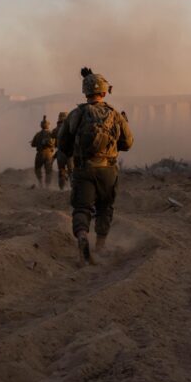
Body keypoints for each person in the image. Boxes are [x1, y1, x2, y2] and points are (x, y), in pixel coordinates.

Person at [57, 67, 133, 266]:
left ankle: (82, 236)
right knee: (105, 207)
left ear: (85, 92)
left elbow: (62, 144)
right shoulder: (115, 114)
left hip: (84, 169)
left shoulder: (76, 114)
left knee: (82, 208)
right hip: (108, 170)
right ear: (104, 92)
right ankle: (100, 246)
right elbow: (128, 143)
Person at [30, 116, 56, 188]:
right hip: (49, 154)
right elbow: (54, 143)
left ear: (41, 125)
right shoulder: (51, 133)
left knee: (37, 169)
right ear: (48, 125)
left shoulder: (37, 134)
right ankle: (47, 185)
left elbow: (33, 144)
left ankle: (40, 183)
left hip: (40, 154)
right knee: (48, 171)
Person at [51, 111, 73, 190]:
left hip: (60, 153)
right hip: (70, 153)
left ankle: (62, 188)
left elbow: (52, 137)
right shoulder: (71, 127)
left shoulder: (56, 129)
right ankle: (72, 189)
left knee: (61, 171)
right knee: (71, 172)